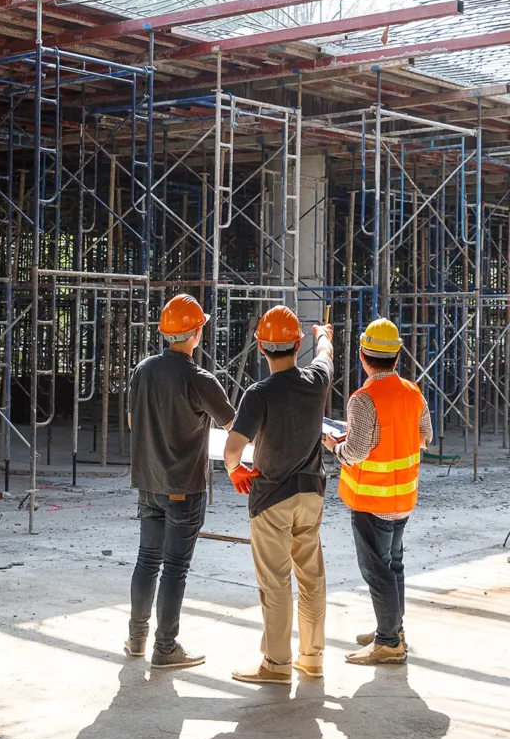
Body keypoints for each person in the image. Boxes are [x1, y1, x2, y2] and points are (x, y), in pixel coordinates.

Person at [222, 308, 335, 686]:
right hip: (311, 495)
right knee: (312, 579)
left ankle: (277, 663)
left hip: (272, 498)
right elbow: (326, 354)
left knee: (275, 583)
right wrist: (324, 334)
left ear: (261, 347)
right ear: (297, 343)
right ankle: (312, 658)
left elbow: (233, 447)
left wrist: (235, 469)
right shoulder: (317, 380)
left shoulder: (260, 393)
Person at [125, 293, 235, 670]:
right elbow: (235, 428)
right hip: (183, 489)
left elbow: (131, 422)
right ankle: (165, 648)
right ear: (196, 332)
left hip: (148, 483)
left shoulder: (143, 370)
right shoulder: (199, 378)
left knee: (147, 560)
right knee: (174, 568)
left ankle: (136, 640)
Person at [323, 317, 431, 665]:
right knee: (394, 565)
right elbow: (424, 435)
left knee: (376, 570)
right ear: (397, 356)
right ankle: (393, 629)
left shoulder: (363, 398)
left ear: (362, 355)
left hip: (373, 500)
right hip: (403, 498)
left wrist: (333, 446)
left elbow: (354, 453)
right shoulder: (413, 392)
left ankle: (388, 642)